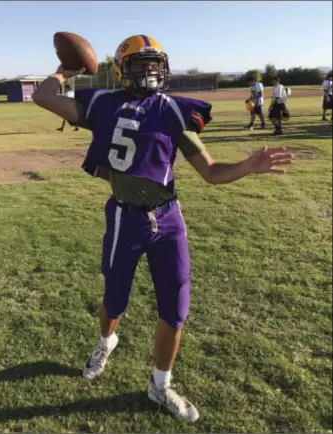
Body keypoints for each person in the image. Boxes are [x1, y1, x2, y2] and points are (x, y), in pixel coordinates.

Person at [32, 34, 293, 422]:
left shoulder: (172, 110)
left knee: (175, 308)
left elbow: (211, 172)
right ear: (122, 71)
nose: (151, 72)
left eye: (156, 65)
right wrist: (64, 71)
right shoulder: (102, 103)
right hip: (125, 215)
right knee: (114, 300)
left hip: (168, 218)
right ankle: (106, 342)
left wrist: (245, 167)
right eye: (142, 65)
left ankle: (160, 385)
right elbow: (43, 97)